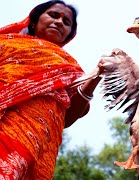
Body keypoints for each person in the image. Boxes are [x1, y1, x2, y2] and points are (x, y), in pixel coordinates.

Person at [0, 1, 104, 179]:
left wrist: (97, 75)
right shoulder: (5, 44)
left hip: (35, 142)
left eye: (66, 22)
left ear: (68, 35)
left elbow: (69, 118)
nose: (59, 22)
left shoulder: (68, 67)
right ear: (33, 21)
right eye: (54, 15)